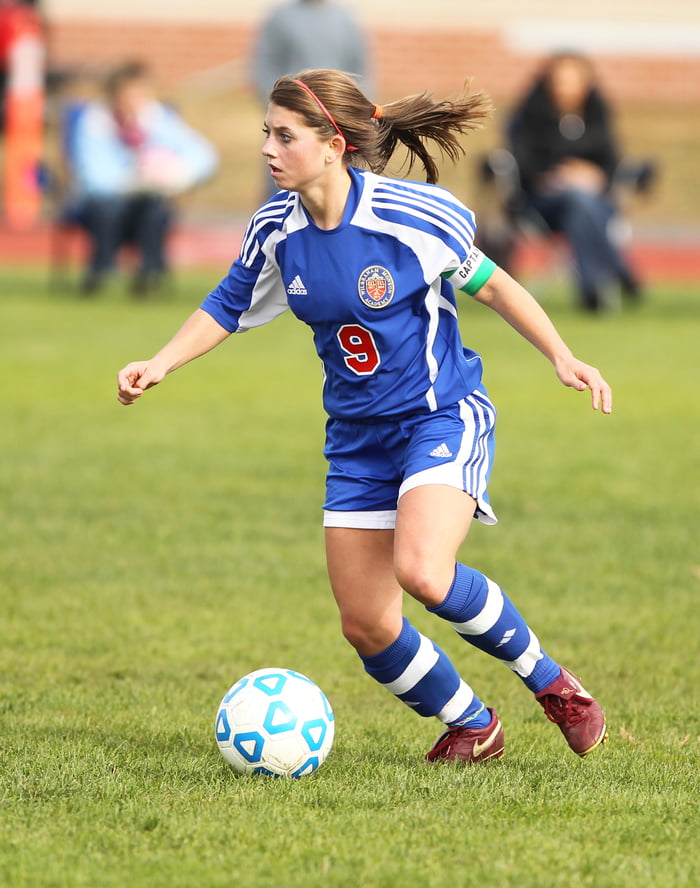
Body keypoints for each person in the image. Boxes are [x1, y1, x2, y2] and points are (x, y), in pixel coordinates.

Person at [117, 69, 612, 764]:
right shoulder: (276, 227)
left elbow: (495, 286)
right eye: (266, 133)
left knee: (424, 571)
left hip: (440, 416)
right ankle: (473, 724)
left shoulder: (410, 216)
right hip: (356, 440)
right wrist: (161, 361)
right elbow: (228, 303)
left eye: (284, 136)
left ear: (333, 145)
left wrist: (562, 355)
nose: (268, 149)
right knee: (367, 624)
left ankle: (554, 684)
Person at [68, 60, 218, 295]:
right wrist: (133, 181)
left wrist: (176, 175)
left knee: (154, 208)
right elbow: (94, 178)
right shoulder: (94, 122)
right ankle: (102, 269)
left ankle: (149, 272)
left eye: (141, 94)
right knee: (109, 209)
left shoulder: (157, 120)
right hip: (104, 204)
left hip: (146, 201)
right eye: (129, 94)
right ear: (114, 94)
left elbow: (203, 155)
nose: (135, 101)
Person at [509, 51, 642, 311]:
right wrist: (557, 176)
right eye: (560, 81)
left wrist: (593, 175)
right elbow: (521, 163)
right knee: (577, 198)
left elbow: (611, 162)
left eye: (572, 82)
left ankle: (591, 289)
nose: (565, 89)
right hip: (544, 202)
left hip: (593, 203)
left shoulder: (597, 116)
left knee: (581, 204)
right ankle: (619, 270)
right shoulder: (530, 117)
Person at [251, 0, 370, 200]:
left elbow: (362, 72)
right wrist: (283, 110)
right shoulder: (281, 17)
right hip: (293, 122)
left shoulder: (345, 19)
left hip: (334, 120)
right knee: (283, 184)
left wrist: (354, 113)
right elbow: (265, 66)